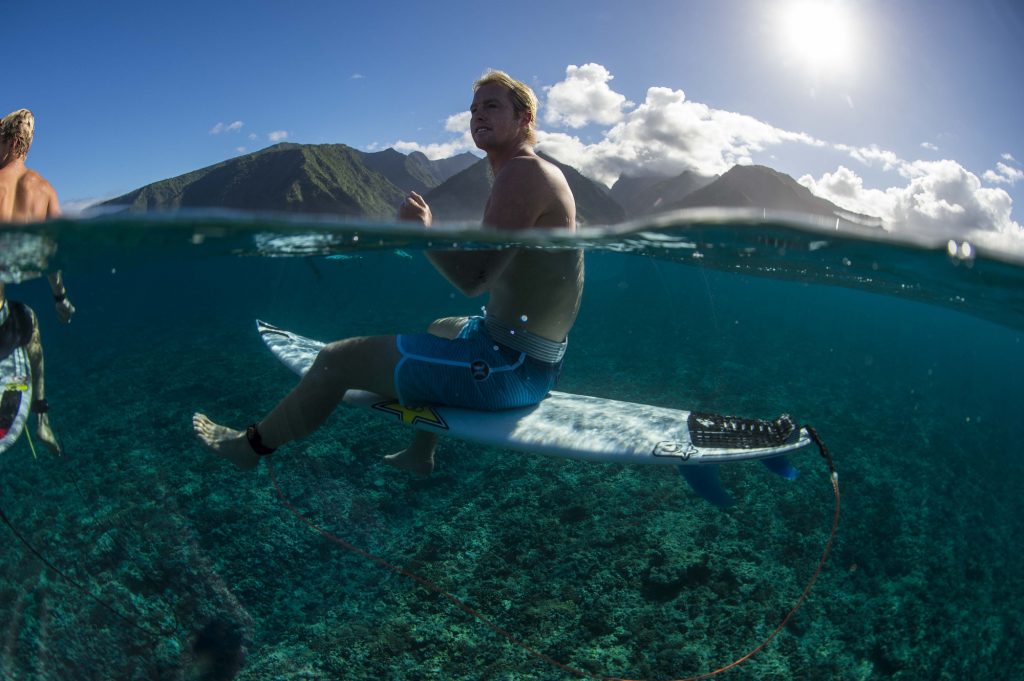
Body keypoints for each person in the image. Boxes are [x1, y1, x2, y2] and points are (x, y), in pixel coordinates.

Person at [194, 70, 584, 474]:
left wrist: (422, 234)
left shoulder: (524, 173)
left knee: (336, 359)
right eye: (473, 109)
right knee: (441, 327)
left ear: (525, 119)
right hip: (529, 357)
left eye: (491, 106)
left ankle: (249, 448)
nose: (477, 116)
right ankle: (421, 453)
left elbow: (475, 279)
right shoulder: (520, 174)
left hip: (510, 367)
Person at [0, 108, 75, 454]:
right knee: (32, 331)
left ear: (11, 142)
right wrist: (60, 298)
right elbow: (52, 258)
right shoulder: (45, 190)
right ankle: (42, 422)